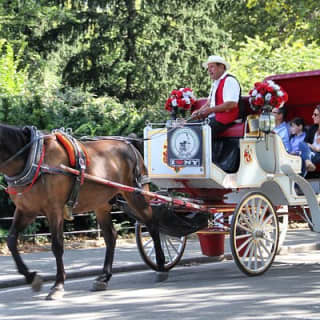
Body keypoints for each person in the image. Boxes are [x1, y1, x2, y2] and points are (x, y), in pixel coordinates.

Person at [191, 55, 240, 135]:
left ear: (221, 67)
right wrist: (198, 112)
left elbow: (231, 104)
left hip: (226, 119)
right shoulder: (216, 83)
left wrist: (210, 110)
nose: (209, 70)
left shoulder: (229, 81)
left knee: (199, 131)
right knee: (190, 126)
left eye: (212, 67)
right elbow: (209, 103)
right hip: (215, 118)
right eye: (208, 68)